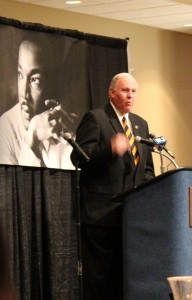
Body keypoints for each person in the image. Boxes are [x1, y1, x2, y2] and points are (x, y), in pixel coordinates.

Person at [71, 72, 155, 300]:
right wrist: (109, 149)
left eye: (134, 91)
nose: (130, 96)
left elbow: (147, 169)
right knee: (99, 282)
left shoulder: (140, 124)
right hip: (101, 217)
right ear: (112, 92)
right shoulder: (96, 118)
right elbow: (79, 159)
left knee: (124, 280)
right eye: (125, 90)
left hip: (131, 218)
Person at [0, 32, 77, 169]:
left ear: (52, 83)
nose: (24, 93)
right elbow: (16, 188)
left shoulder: (70, 127)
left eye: (34, 79)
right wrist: (32, 138)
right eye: (20, 74)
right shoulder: (5, 129)